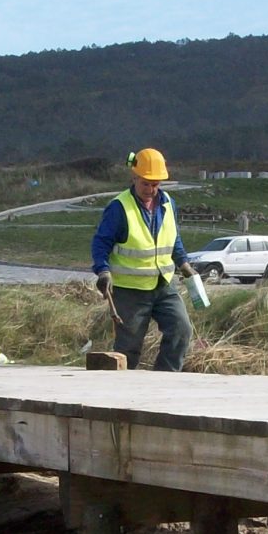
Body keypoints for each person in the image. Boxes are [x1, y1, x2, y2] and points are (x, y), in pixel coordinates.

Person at [91, 147, 195, 371]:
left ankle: (164, 381)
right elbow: (101, 243)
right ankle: (121, 394)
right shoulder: (119, 208)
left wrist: (184, 264)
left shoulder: (168, 204)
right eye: (145, 183)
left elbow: (173, 239)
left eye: (156, 184)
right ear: (134, 177)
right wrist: (103, 271)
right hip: (130, 290)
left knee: (181, 330)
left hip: (163, 284)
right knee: (128, 348)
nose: (151, 189)